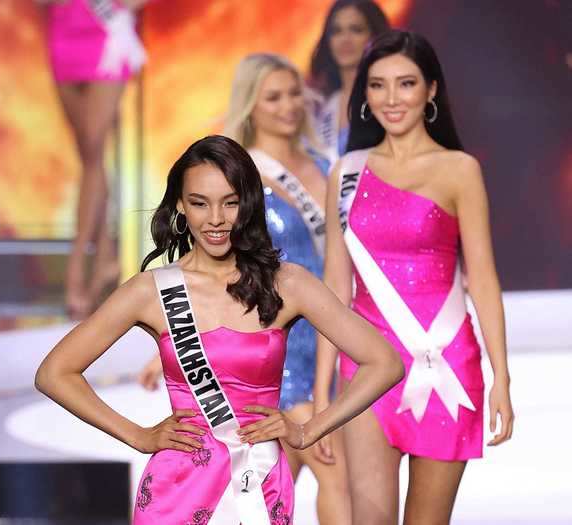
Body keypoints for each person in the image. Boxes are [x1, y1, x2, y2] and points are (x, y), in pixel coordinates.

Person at [36, 135, 403, 523]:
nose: (215, 219)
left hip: (258, 483)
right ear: (180, 204)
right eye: (199, 203)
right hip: (175, 490)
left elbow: (384, 363)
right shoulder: (151, 291)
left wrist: (306, 431)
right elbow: (54, 373)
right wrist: (139, 436)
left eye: (230, 202)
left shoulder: (286, 284)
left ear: (247, 204)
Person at [315, 30, 514, 524]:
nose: (391, 98)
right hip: (367, 365)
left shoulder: (459, 170)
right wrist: (322, 393)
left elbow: (483, 280)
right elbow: (335, 290)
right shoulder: (347, 173)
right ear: (364, 95)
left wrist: (501, 378)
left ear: (430, 91)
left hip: (446, 363)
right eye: (377, 85)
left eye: (406, 84)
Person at [223, 53, 350, 524]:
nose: (288, 106)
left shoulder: (325, 164)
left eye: (294, 93)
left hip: (338, 335)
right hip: (283, 341)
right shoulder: (241, 175)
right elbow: (219, 263)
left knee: (277, 483)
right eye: (272, 96)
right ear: (250, 105)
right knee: (335, 472)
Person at [38, 0, 147, 318]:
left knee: (93, 144)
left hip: (107, 37)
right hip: (62, 32)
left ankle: (77, 266)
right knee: (89, 155)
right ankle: (105, 257)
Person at [308, 0, 389, 159]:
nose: (345, 39)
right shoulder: (318, 106)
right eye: (336, 31)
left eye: (356, 30)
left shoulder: (390, 99)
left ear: (374, 36)